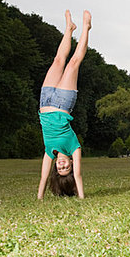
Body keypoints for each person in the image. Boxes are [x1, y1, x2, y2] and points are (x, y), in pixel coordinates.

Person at [37, 10, 91, 199]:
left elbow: (43, 178)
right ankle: (86, 28)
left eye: (60, 169)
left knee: (58, 60)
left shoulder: (49, 152)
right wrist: (81, 197)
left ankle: (69, 29)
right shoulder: (74, 148)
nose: (62, 165)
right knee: (73, 63)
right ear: (70, 163)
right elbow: (78, 175)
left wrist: (40, 198)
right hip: (63, 103)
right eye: (66, 167)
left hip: (45, 101)